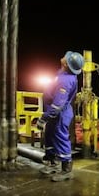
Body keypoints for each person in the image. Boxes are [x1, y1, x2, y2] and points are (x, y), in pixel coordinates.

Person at [37, 51, 84, 182]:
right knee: (50, 135)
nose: (64, 56)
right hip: (54, 112)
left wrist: (44, 118)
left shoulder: (65, 80)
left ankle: (66, 170)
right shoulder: (63, 74)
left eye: (66, 57)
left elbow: (58, 104)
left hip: (59, 113)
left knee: (61, 138)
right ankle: (52, 162)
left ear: (66, 64)